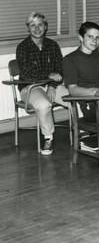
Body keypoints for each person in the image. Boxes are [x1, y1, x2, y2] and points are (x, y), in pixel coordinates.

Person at [15, 12, 69, 155]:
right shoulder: (22, 47)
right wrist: (48, 76)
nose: (37, 28)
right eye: (33, 25)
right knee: (44, 104)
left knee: (75, 97)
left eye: (40, 24)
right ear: (28, 28)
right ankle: (48, 138)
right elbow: (27, 73)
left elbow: (60, 68)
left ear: (45, 27)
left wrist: (51, 86)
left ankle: (82, 132)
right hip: (30, 87)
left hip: (52, 86)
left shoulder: (52, 45)